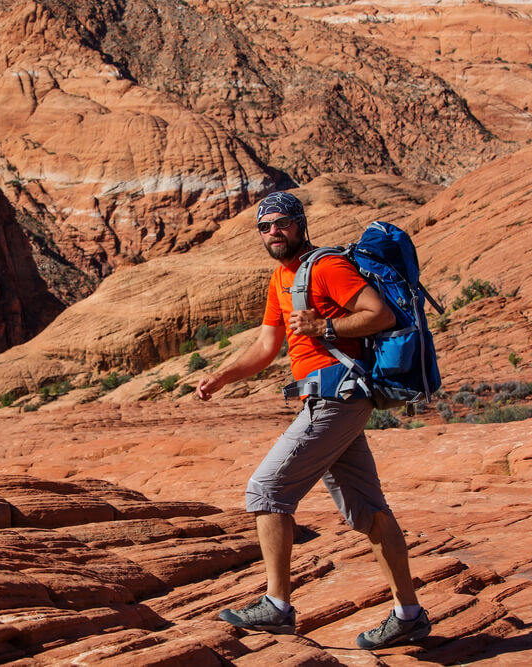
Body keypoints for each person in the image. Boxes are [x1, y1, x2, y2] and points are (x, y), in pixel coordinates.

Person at [195, 191, 431, 649]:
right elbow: (267, 347)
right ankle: (409, 615)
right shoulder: (279, 279)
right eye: (265, 227)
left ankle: (277, 606)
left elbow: (379, 314)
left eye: (282, 223)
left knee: (266, 491)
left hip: (338, 397)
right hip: (327, 400)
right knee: (369, 512)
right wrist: (221, 377)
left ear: (300, 224)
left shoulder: (326, 267)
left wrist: (324, 327)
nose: (273, 232)